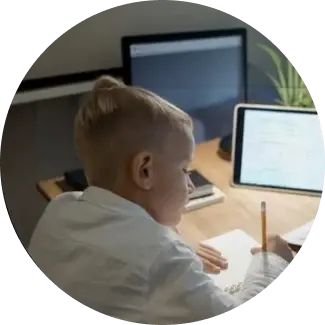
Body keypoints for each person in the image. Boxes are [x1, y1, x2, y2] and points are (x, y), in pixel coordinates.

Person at [28, 76, 294, 324]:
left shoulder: (60, 208)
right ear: (144, 170)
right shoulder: (162, 259)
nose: (190, 185)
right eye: (183, 169)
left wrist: (170, 246)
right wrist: (272, 263)